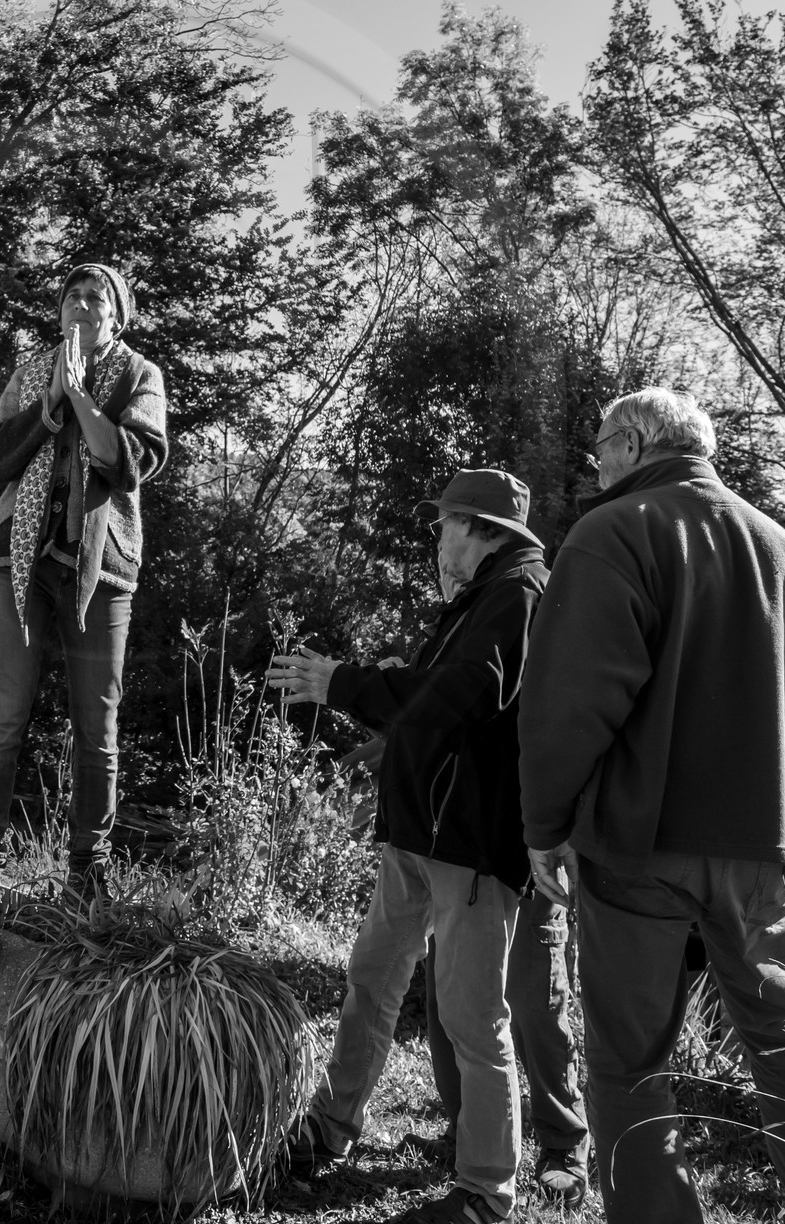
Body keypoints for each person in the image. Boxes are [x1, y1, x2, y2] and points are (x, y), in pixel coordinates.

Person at [520, 388, 785, 1224]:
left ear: (636, 442)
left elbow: (571, 701)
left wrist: (544, 827)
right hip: (763, 849)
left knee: (629, 1062)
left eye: (601, 447)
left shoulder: (615, 532)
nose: (594, 467)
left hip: (642, 844)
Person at [270, 468, 549, 1224]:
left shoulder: (517, 596)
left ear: (478, 527)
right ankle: (331, 1130)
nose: (436, 541)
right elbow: (437, 699)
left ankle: (487, 1194)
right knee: (371, 983)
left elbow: (467, 697)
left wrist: (346, 682)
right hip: (417, 839)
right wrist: (381, 684)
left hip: (469, 848)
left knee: (470, 1019)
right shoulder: (479, 601)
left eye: (443, 525)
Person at [0, 264, 168, 916]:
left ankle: (86, 879)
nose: (81, 304)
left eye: (96, 297)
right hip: (16, 562)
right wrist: (48, 410)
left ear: (117, 315)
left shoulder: (140, 376)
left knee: (96, 727)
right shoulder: (30, 369)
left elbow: (131, 462)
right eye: (72, 295)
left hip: (101, 570)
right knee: (3, 717)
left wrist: (79, 400)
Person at [424, 895, 589, 1206]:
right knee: (450, 991)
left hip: (532, 857)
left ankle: (563, 1140)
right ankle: (469, 1133)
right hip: (459, 857)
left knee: (534, 995)